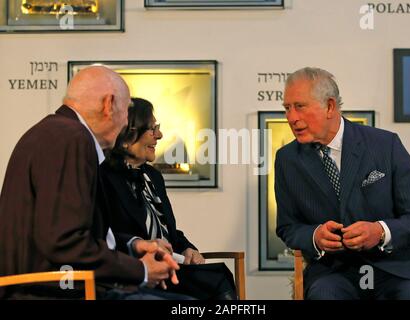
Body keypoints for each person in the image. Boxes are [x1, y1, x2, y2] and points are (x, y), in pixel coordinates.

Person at [0, 66, 187, 300]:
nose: (126, 122)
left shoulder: (55, 132)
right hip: (51, 292)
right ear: (109, 105)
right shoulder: (72, 138)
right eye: (127, 110)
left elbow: (65, 233)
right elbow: (64, 243)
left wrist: (133, 245)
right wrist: (141, 270)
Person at [275, 67, 410, 300]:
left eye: (300, 106)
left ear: (330, 106)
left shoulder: (385, 145)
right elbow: (288, 227)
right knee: (324, 295)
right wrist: (316, 236)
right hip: (334, 272)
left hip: (400, 267)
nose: (291, 118)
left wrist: (380, 231)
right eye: (287, 108)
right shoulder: (287, 159)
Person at [100, 97, 237, 300]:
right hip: (136, 274)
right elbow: (104, 235)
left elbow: (169, 231)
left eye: (158, 128)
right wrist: (141, 245)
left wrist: (187, 248)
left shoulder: (153, 177)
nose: (160, 135)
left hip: (171, 267)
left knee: (219, 275)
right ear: (128, 137)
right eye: (152, 129)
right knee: (215, 281)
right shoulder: (103, 176)